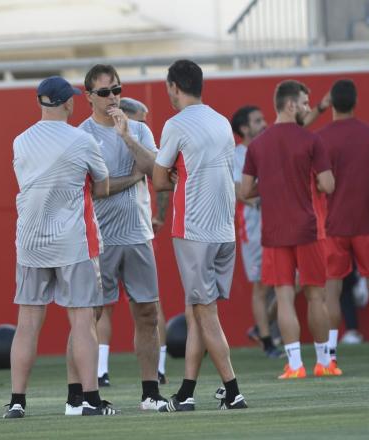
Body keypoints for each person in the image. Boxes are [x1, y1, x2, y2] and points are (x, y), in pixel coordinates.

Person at [5, 76, 114, 418]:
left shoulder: (20, 141)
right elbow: (103, 185)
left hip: (30, 240)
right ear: (67, 103)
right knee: (82, 319)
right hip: (71, 242)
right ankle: (91, 401)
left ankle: (17, 401)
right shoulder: (81, 140)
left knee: (27, 322)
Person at [153, 59, 248, 411]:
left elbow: (160, 180)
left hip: (194, 230)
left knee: (205, 314)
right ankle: (187, 392)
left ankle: (233, 390)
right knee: (197, 312)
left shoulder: (175, 124)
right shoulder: (222, 121)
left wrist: (175, 175)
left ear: (175, 87)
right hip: (225, 230)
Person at [78, 65, 167, 410]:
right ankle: (87, 396)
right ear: (88, 97)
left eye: (116, 90)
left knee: (147, 313)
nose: (113, 97)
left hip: (138, 236)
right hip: (100, 239)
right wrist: (131, 179)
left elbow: (157, 174)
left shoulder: (140, 130)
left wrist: (127, 136)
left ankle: (150, 393)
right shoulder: (82, 135)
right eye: (105, 92)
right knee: (92, 316)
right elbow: (95, 191)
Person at [239, 80, 337, 379]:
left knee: (283, 297)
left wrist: (268, 185)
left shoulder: (257, 145)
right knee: (316, 297)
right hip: (309, 228)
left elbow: (245, 191)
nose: (309, 108)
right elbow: (329, 184)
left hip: (274, 232)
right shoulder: (311, 140)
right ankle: (324, 362)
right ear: (291, 104)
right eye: (306, 103)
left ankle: (295, 365)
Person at [317, 79, 369, 370]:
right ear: (355, 101)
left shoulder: (321, 138)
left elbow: (318, 183)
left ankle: (329, 357)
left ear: (333, 103)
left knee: (332, 290)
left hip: (334, 223)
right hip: (368, 222)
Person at [119, 96, 170, 384]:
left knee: (149, 305)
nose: (145, 125)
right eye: (141, 118)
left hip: (138, 230)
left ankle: (157, 369)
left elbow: (160, 176)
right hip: (105, 234)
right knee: (96, 309)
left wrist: (159, 216)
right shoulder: (96, 137)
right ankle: (96, 375)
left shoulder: (141, 141)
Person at [229, 105, 283, 358]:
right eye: (258, 120)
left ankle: (261, 329)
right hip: (253, 229)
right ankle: (266, 339)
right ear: (244, 128)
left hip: (280, 224)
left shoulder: (271, 149)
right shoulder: (236, 155)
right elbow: (242, 193)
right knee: (262, 286)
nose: (265, 123)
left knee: (294, 281)